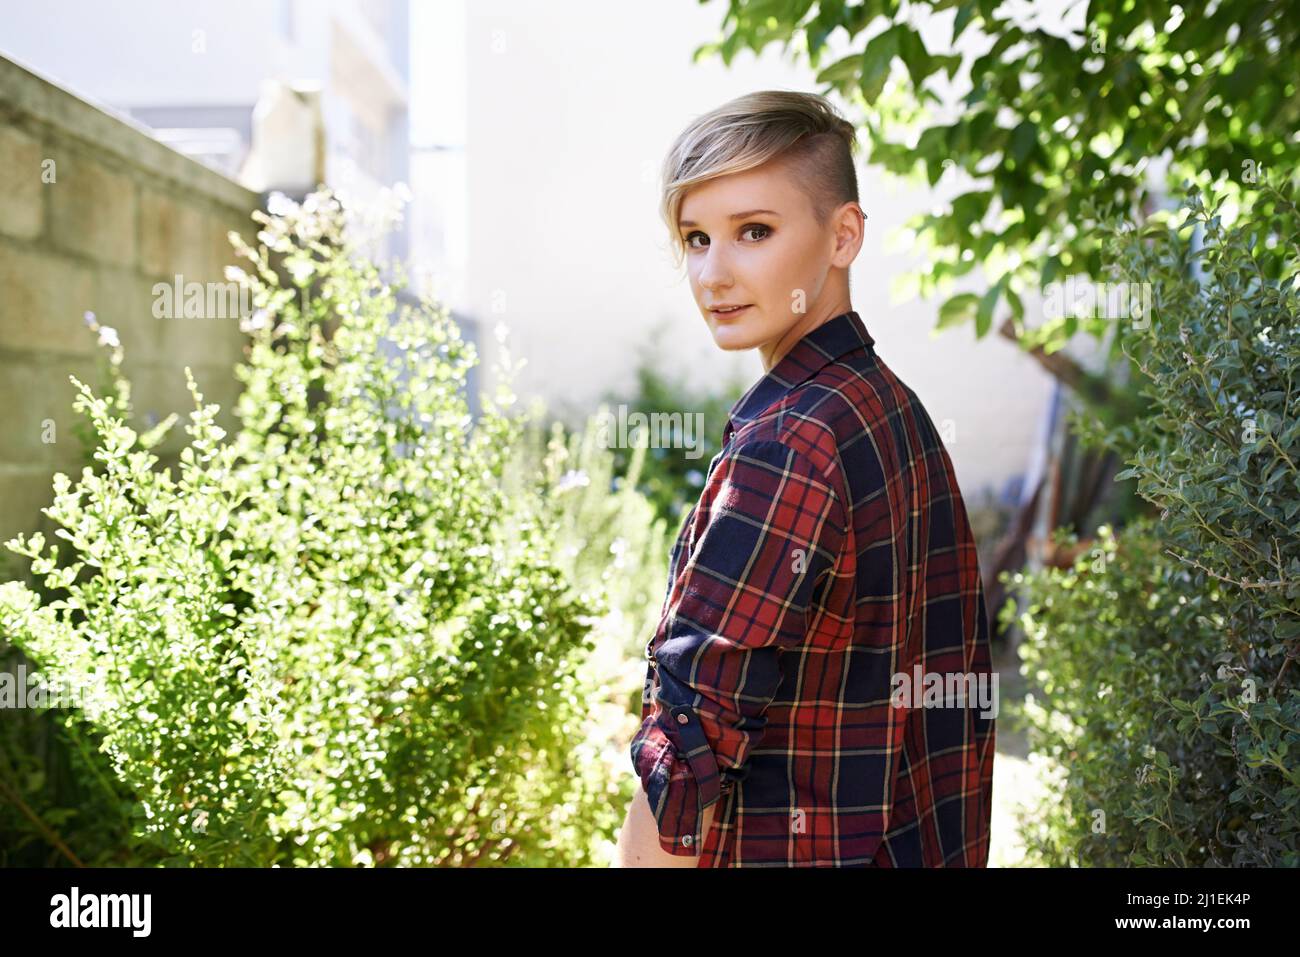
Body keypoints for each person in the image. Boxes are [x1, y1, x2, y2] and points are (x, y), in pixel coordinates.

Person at [613, 90, 996, 867]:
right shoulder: (888, 404)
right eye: (695, 238)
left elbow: (690, 749)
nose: (713, 273)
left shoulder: (788, 441)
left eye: (754, 231)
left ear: (842, 235)